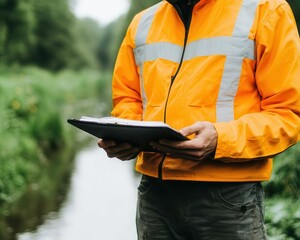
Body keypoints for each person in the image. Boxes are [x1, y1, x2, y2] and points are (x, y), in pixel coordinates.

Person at [98, 0, 300, 239]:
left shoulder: (266, 11)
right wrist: (127, 135)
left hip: (228, 196)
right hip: (155, 195)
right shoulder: (142, 22)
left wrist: (220, 139)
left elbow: (288, 114)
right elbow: (128, 98)